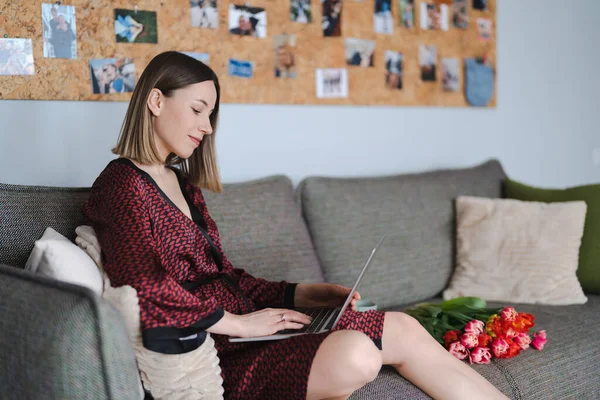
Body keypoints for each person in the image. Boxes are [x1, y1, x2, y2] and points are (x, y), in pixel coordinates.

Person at [82, 51, 510, 400]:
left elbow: (225, 279)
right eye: (197, 110)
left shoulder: (181, 183)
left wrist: (302, 293)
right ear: (156, 102)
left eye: (209, 114)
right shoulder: (120, 185)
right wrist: (240, 324)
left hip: (250, 331)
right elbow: (144, 286)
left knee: (401, 326)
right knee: (358, 355)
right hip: (219, 352)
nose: (206, 127)